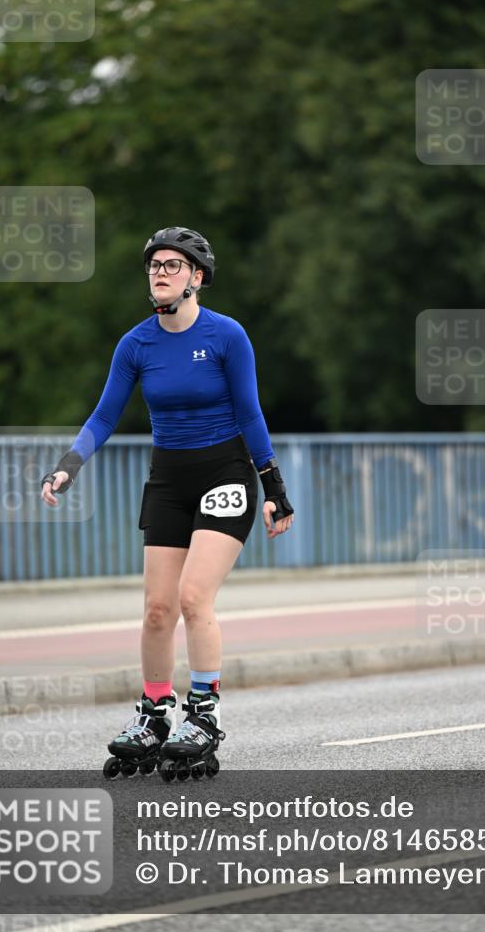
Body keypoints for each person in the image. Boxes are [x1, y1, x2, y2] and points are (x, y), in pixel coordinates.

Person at [40, 226, 294, 774]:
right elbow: (105, 415)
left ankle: (202, 712)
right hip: (169, 479)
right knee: (157, 610)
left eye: (173, 265)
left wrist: (273, 487)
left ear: (196, 278)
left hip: (225, 474)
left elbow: (250, 414)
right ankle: (156, 712)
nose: (160, 272)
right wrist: (69, 465)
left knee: (193, 598)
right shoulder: (136, 344)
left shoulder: (227, 336)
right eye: (154, 264)